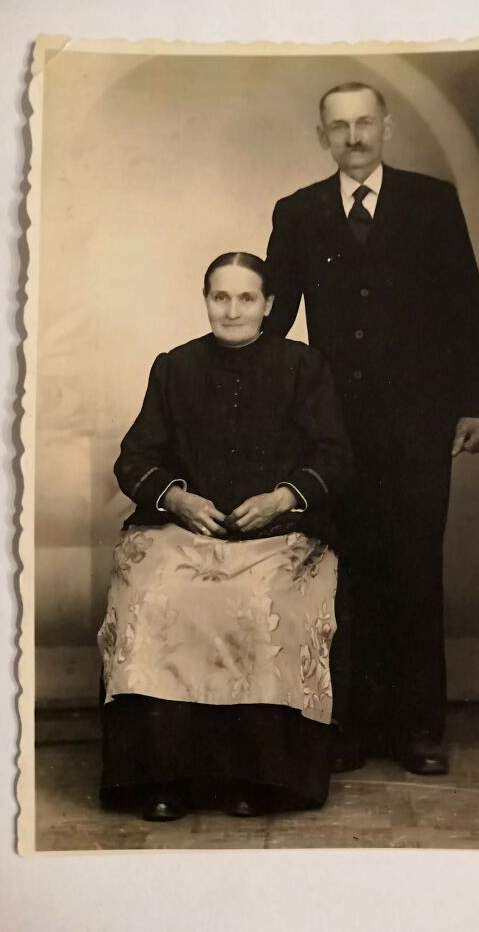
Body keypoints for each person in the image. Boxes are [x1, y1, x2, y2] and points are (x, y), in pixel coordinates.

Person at [264, 82, 479, 776]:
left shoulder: (432, 203)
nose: (355, 136)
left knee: (415, 568)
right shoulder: (298, 212)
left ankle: (419, 729)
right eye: (339, 127)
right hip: (335, 431)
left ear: (386, 126)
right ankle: (351, 727)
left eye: (365, 122)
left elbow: (467, 310)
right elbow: (275, 325)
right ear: (322, 136)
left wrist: (475, 402)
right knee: (345, 573)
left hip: (420, 425)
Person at [97, 251, 352, 821]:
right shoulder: (174, 367)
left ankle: (259, 779)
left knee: (260, 603)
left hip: (280, 533)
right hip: (185, 529)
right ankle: (160, 777)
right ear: (206, 300)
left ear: (268, 306)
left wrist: (284, 497)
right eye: (220, 297)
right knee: (153, 596)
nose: (232, 309)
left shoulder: (303, 366)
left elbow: (335, 457)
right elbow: (135, 458)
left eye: (245, 298)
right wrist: (179, 499)